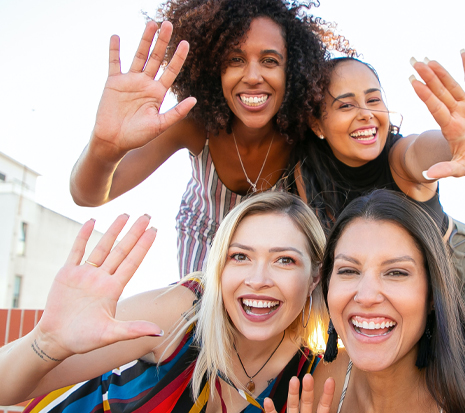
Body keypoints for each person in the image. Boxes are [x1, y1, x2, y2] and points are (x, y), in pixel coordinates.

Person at [69, 0, 351, 277]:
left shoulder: (302, 135)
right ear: (214, 68)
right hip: (203, 242)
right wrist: (103, 146)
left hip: (272, 249)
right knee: (201, 317)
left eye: (269, 61)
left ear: (291, 72)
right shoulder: (194, 126)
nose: (253, 76)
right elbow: (88, 195)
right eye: (235, 60)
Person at [0, 192, 328, 412]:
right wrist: (46, 342)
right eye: (239, 256)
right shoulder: (182, 312)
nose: (258, 279)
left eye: (284, 260)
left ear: (315, 276)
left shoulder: (316, 376)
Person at [293, 54, 465, 356]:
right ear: (317, 123)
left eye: (373, 100)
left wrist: (456, 145)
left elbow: (422, 150)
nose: (366, 114)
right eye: (346, 105)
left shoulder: (400, 157)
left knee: (463, 392)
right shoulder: (308, 173)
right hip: (403, 286)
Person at [311, 190, 465, 413]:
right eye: (349, 271)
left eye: (396, 273)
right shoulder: (327, 380)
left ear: (433, 294)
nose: (367, 296)